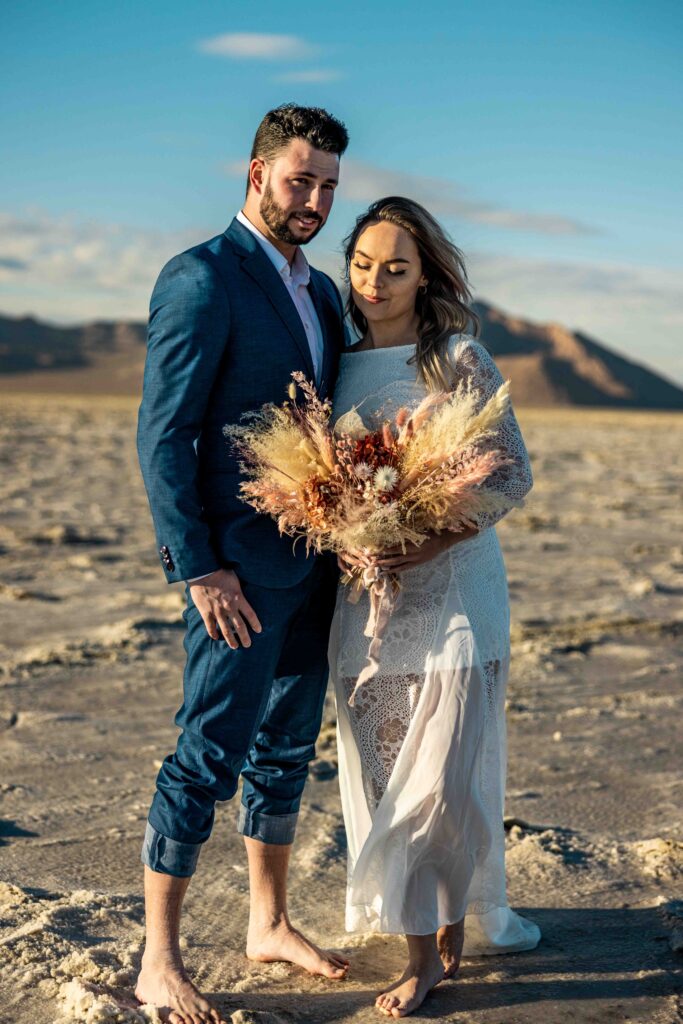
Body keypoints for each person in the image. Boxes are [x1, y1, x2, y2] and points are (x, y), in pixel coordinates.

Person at [135, 104, 350, 1024]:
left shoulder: (325, 293)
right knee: (206, 756)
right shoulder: (201, 278)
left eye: (329, 187)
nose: (315, 200)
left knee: (287, 750)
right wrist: (199, 567)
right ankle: (158, 960)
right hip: (235, 573)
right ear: (255, 173)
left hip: (316, 564)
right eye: (300, 179)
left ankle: (267, 922)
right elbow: (165, 434)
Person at [329, 197, 541, 1018]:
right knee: (392, 785)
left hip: (456, 595)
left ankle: (427, 956)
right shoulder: (330, 363)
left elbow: (509, 473)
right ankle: (432, 935)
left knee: (439, 788)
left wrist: (422, 542)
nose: (374, 282)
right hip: (367, 611)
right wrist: (343, 533)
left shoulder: (455, 358)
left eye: (395, 267)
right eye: (362, 265)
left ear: (425, 276)